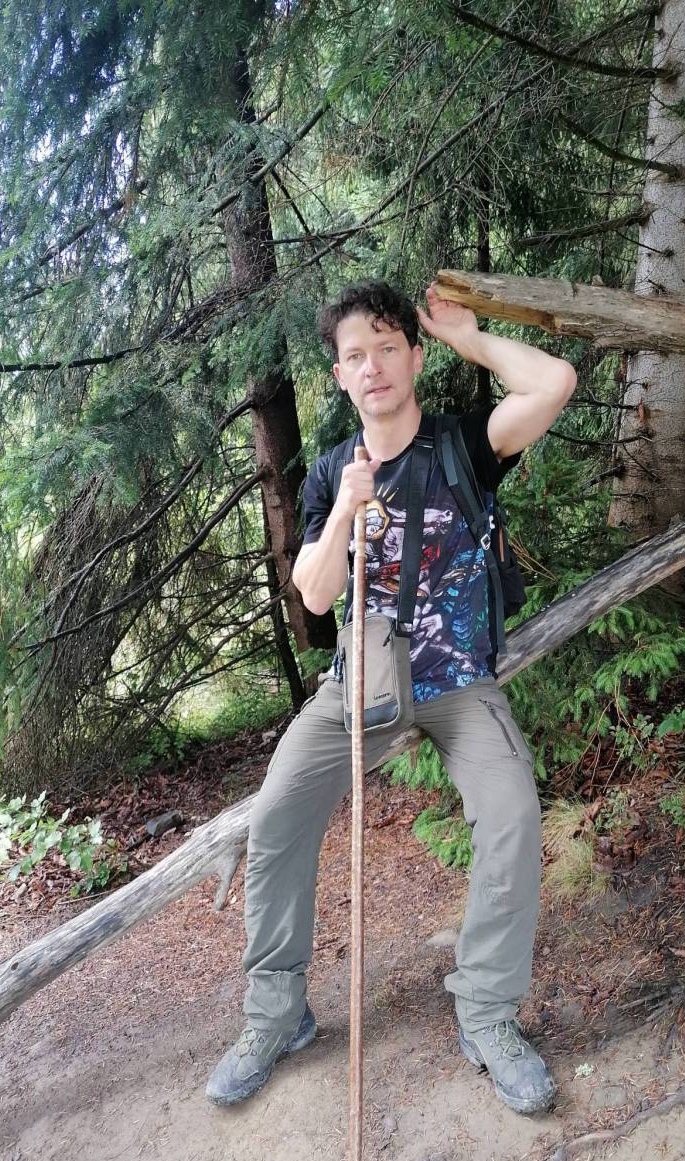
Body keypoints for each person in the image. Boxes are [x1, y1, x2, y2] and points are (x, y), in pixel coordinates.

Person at [206, 279, 577, 1114]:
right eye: (354, 355)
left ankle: (486, 1013)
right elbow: (315, 593)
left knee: (513, 814)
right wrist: (344, 508)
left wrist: (468, 338)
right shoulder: (331, 471)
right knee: (278, 815)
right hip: (360, 689)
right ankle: (276, 1016)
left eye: (386, 347)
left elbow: (554, 383)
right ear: (339, 376)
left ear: (412, 357)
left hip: (460, 683)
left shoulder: (464, 446)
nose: (371, 366)